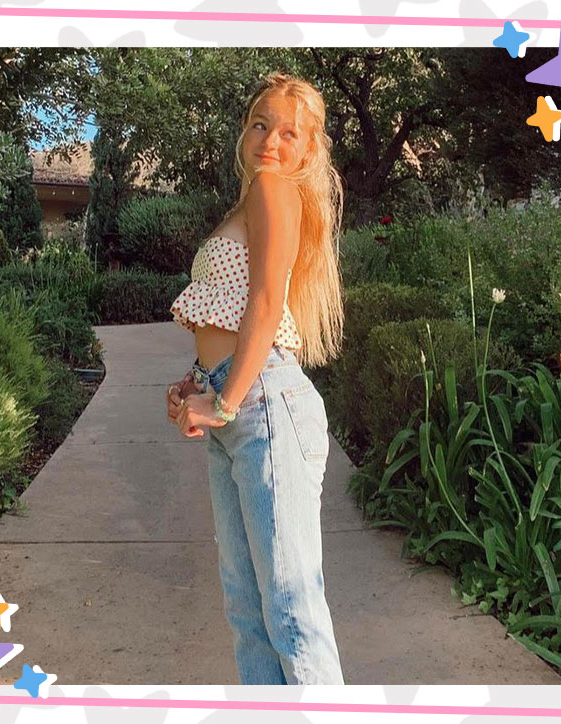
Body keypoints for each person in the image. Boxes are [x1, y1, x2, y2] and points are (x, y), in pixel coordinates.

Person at [166, 71, 346, 685]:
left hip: (262, 401)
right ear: (244, 131)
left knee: (292, 611)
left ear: (309, 150)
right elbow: (233, 305)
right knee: (249, 611)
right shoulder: (251, 201)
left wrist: (224, 403)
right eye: (260, 124)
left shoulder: (274, 188)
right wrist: (200, 382)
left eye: (288, 132)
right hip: (239, 396)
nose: (271, 141)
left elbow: (267, 305)